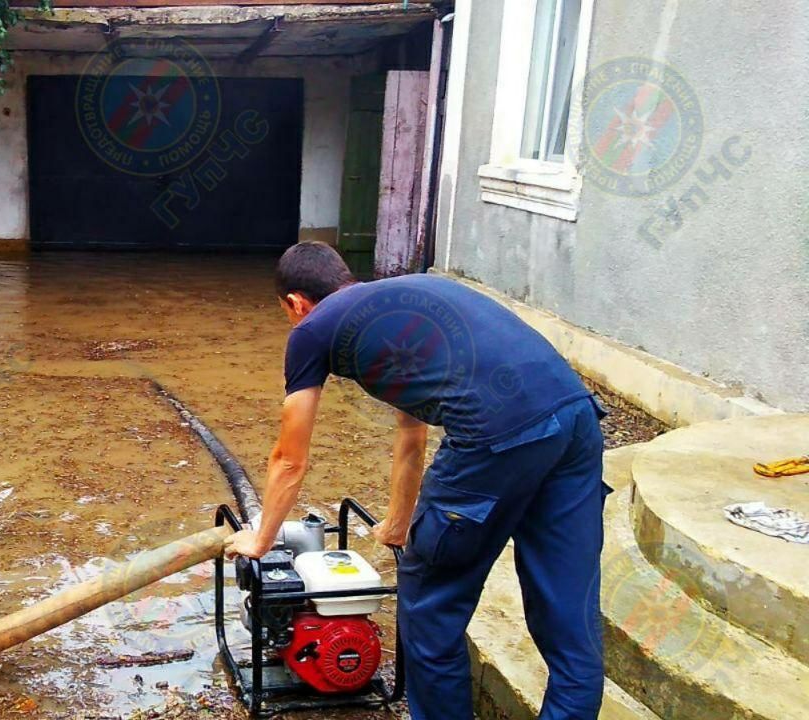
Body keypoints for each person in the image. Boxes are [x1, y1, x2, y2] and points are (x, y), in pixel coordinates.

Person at [224, 241, 609, 720]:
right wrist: (399, 523)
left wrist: (261, 539)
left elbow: (288, 460)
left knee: (430, 606)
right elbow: (412, 431)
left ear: (296, 303)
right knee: (569, 617)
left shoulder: (312, 330)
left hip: (496, 437)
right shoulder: (405, 300)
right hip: (577, 421)